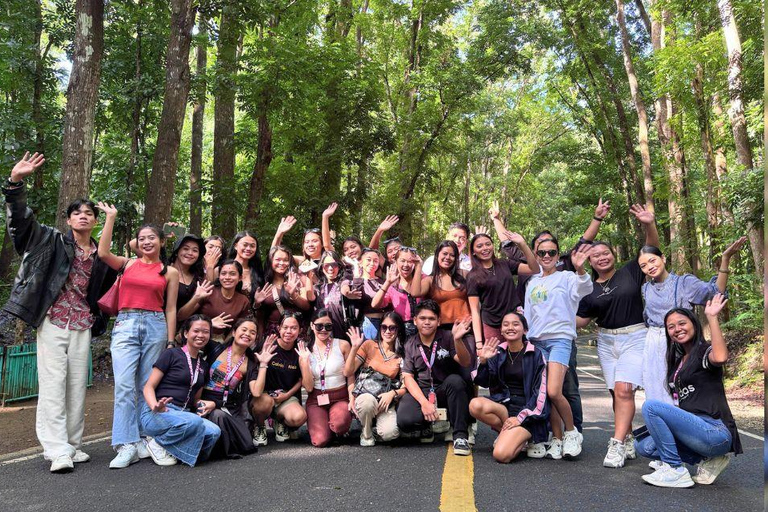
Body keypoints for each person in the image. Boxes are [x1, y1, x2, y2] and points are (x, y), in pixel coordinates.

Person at [2, 152, 116, 473]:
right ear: (68, 220)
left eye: (89, 213)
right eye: (77, 213)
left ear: (95, 220)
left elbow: (132, 269)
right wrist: (15, 183)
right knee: (53, 385)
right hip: (52, 321)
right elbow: (21, 226)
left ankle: (73, 444)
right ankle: (56, 449)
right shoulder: (50, 241)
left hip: (82, 324)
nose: (83, 216)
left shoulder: (101, 255)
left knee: (78, 385)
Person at [576, 204, 659, 467]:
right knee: (616, 394)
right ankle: (629, 437)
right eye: (595, 255)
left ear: (613, 255)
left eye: (605, 253)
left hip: (635, 337)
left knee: (624, 390)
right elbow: (580, 320)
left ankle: (615, 444)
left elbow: (652, 249)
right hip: (606, 341)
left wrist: (649, 224)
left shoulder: (631, 272)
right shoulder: (588, 289)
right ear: (590, 261)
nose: (601, 257)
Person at [97, 203, 180, 469]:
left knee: (147, 385)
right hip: (126, 323)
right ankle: (126, 443)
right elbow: (102, 252)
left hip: (156, 324)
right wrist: (111, 217)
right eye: (141, 238)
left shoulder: (169, 272)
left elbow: (170, 307)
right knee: (123, 385)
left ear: (162, 242)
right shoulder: (128, 263)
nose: (146, 242)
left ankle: (147, 438)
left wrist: (170, 340)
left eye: (151, 238)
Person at [635, 295, 742, 488]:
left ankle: (675, 469)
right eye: (671, 327)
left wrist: (712, 318)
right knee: (643, 446)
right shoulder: (678, 362)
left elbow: (720, 356)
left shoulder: (703, 351)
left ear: (693, 323)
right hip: (696, 431)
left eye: (682, 323)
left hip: (715, 431)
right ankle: (708, 459)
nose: (677, 329)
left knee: (651, 407)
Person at [638, 236, 746, 404]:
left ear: (663, 258)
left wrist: (725, 260)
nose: (649, 267)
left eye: (652, 261)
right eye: (643, 266)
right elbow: (647, 318)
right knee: (656, 393)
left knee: (682, 391)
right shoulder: (646, 289)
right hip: (653, 345)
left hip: (680, 342)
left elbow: (714, 293)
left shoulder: (684, 283)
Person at [524, 238, 592, 460]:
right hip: (537, 341)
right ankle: (557, 437)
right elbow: (528, 313)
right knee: (546, 394)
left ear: (557, 254)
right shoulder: (532, 282)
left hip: (560, 339)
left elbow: (585, 288)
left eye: (551, 252)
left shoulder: (567, 277)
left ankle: (572, 433)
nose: (546, 256)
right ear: (536, 255)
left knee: (554, 390)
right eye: (541, 252)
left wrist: (580, 267)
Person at [140, 315, 221, 467]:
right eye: (196, 331)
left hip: (183, 415)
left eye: (206, 332)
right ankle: (156, 443)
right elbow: (148, 386)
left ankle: (173, 449)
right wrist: (154, 406)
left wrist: (210, 404)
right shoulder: (171, 354)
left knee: (214, 432)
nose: (201, 335)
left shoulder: (203, 365)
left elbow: (195, 399)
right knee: (195, 421)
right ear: (185, 333)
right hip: (157, 413)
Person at [396, 300, 473, 455]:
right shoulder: (410, 344)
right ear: (415, 321)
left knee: (456, 381)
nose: (427, 322)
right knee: (405, 420)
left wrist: (458, 339)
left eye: (431, 319)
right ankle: (427, 427)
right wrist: (424, 403)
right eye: (422, 318)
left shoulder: (448, 337)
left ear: (439, 321)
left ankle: (460, 435)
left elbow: (465, 362)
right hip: (423, 390)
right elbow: (408, 377)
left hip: (444, 389)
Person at [469, 312, 549, 462]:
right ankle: (509, 435)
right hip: (505, 408)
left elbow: (541, 395)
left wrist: (520, 418)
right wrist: (484, 361)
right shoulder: (498, 352)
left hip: (528, 414)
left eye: (515, 324)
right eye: (505, 324)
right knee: (475, 404)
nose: (510, 327)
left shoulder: (536, 355)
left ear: (525, 330)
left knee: (501, 455)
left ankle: (522, 437)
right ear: (501, 330)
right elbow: (482, 381)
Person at [198, 318, 260, 459]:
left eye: (252, 332)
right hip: (202, 400)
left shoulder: (250, 363)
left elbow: (256, 391)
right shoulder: (216, 349)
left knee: (246, 443)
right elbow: (189, 338)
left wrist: (263, 364)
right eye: (243, 330)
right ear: (233, 332)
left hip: (226, 405)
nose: (247, 334)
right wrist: (209, 325)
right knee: (217, 416)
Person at [466, 232, 539, 346]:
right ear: (474, 252)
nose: (485, 248)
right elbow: (475, 311)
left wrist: (523, 244)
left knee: (516, 359)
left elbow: (534, 269)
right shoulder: (473, 276)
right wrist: (479, 343)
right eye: (479, 246)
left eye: (488, 244)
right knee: (495, 359)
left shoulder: (504, 264)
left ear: (492, 246)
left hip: (513, 322)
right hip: (491, 324)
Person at [343, 314, 406, 446]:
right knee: (367, 402)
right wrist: (354, 348)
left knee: (390, 434)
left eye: (392, 328)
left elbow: (406, 386)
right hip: (366, 396)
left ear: (398, 330)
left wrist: (392, 394)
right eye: (384, 327)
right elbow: (348, 371)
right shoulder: (369, 345)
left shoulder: (402, 355)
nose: (387, 331)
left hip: (386, 401)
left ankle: (376, 428)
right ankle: (366, 434)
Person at [296, 309, 354, 447]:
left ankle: (337, 428)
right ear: (311, 326)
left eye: (328, 326)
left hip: (340, 396)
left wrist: (352, 398)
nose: (323, 330)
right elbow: (308, 387)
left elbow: (350, 375)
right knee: (320, 440)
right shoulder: (305, 350)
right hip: (316, 398)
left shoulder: (342, 345)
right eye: (319, 326)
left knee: (339, 425)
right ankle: (326, 428)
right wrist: (304, 362)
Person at [250, 314, 308, 445]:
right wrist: (263, 361)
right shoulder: (269, 346)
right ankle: (259, 427)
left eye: (294, 328)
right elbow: (254, 373)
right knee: (264, 403)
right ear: (279, 328)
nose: (289, 331)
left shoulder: (300, 350)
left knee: (299, 417)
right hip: (264, 396)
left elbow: (301, 379)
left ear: (300, 330)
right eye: (285, 327)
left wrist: (286, 395)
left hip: (286, 397)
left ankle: (279, 421)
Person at [178, 259, 251, 341]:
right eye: (223, 273)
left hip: (219, 341)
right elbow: (181, 316)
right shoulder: (209, 291)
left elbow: (237, 328)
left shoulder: (243, 301)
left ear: (240, 278)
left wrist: (225, 347)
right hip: (195, 335)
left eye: (232, 274)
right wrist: (196, 297)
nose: (227, 277)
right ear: (219, 276)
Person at [256, 245, 314, 338]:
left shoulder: (298, 279)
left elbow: (307, 306)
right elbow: (261, 315)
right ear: (271, 260)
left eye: (286, 260)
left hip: (295, 332)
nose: (282, 263)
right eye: (278, 259)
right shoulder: (264, 281)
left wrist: (293, 295)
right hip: (272, 333)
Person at [372, 247, 425, 336]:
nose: (406, 264)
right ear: (395, 262)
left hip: (423, 327)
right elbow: (375, 304)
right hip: (402, 330)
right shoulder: (393, 285)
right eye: (402, 260)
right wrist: (387, 282)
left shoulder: (423, 279)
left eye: (410, 261)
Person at [342, 247, 388, 339]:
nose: (372, 263)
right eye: (368, 260)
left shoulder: (382, 281)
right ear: (361, 262)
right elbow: (356, 295)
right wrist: (356, 272)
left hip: (385, 323)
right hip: (369, 323)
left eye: (375, 261)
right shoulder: (357, 281)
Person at [314, 250, 349, 340]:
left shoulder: (344, 284)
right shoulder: (318, 288)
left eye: (334, 265)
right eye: (326, 265)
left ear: (339, 266)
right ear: (321, 267)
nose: (330, 268)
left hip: (341, 335)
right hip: (321, 334)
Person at [168, 234, 206, 311]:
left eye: (195, 250)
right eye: (185, 248)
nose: (190, 253)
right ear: (177, 251)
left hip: (185, 321)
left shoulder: (197, 278)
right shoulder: (164, 270)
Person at [226, 231, 264, 300]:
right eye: (245, 245)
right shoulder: (224, 268)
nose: (248, 248)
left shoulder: (257, 271)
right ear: (235, 246)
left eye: (252, 246)